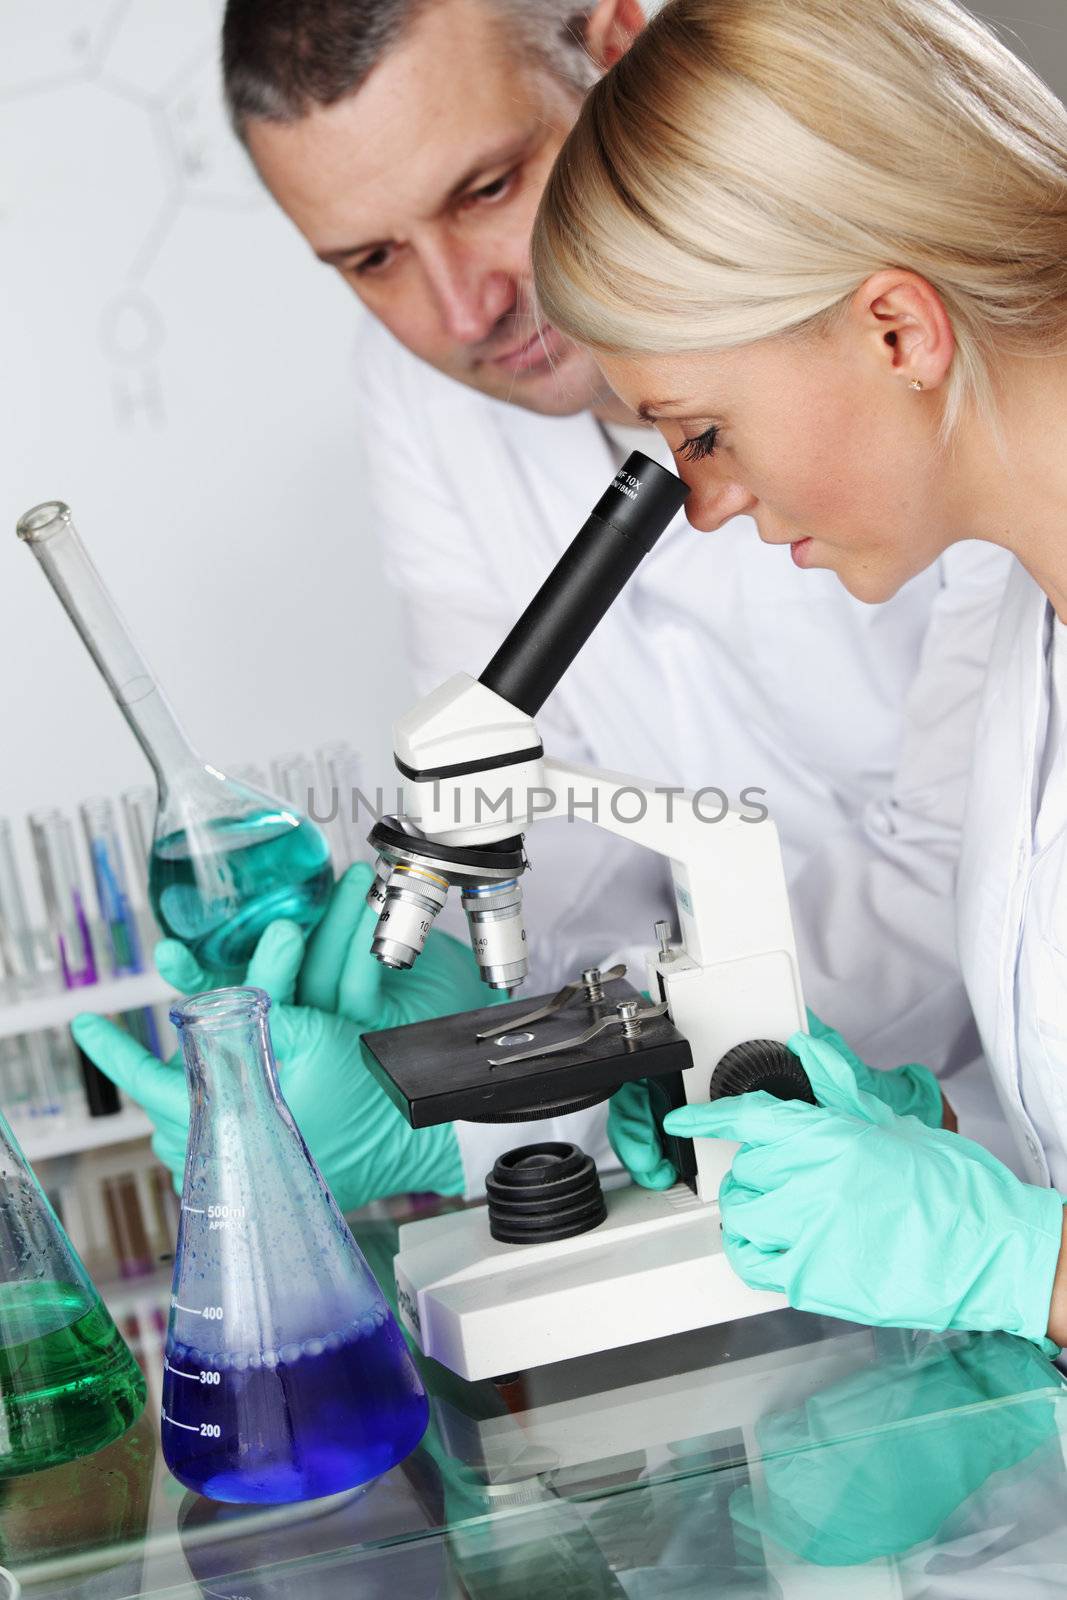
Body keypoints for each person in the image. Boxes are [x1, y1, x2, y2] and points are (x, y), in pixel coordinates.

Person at [76, 0, 1004, 1207]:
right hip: (819, 1163)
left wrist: (475, 1117)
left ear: (616, 41)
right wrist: (465, 1010)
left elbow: (958, 861)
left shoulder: (898, 314)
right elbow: (546, 840)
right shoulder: (424, 399)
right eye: (371, 259)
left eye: (485, 189)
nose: (462, 311)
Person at [532, 0, 1067, 1345]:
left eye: (701, 430)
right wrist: (925, 1138)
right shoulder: (1022, 621)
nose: (701, 508)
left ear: (894, 329)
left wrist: (1025, 1263)